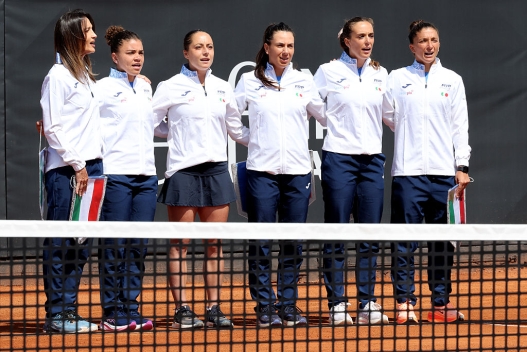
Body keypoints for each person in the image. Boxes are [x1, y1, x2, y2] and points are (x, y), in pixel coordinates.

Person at [152, 30, 249, 329]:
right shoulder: (170, 87)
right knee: (179, 245)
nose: (205, 52)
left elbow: (237, 129)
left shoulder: (222, 87)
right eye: (198, 47)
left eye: (209, 46)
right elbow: (152, 123)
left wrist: (266, 141)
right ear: (186, 52)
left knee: (214, 245)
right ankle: (181, 308)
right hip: (183, 172)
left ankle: (213, 307)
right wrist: (179, 134)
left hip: (217, 171)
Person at [234, 22, 326, 327]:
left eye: (290, 46)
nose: (285, 51)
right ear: (267, 48)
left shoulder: (304, 81)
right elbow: (232, 118)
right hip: (261, 172)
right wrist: (254, 140)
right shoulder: (249, 81)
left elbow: (326, 115)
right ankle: (264, 305)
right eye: (280, 46)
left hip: (298, 173)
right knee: (260, 241)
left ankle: (288, 304)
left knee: (293, 243)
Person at [382, 20, 470, 324]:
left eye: (433, 40)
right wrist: (408, 134)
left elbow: (460, 126)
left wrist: (462, 166)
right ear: (412, 46)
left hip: (444, 175)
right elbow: (388, 114)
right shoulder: (396, 78)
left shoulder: (453, 80)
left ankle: (440, 303)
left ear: (439, 43)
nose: (428, 46)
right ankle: (405, 302)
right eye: (422, 41)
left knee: (442, 244)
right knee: (404, 242)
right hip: (407, 174)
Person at [313, 17, 389, 325]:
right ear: (347, 40)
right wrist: (334, 123)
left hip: (372, 162)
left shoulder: (381, 73)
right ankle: (338, 304)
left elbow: (391, 115)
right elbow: (310, 104)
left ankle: (367, 302)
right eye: (361, 36)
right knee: (337, 235)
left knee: (369, 237)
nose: (368, 41)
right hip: (339, 160)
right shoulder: (328, 71)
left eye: (371, 35)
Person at [95, 25, 165, 332]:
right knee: (114, 247)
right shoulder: (100, 89)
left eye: (141, 53)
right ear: (114, 56)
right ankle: (112, 312)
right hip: (116, 177)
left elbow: (154, 127)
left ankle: (131, 308)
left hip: (146, 178)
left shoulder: (146, 87)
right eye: (130, 53)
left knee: (137, 247)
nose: (137, 58)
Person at [40, 9, 103, 333]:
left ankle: (69, 311)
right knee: (62, 243)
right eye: (88, 30)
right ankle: (57, 314)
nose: (93, 35)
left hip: (91, 168)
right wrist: (78, 165)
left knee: (81, 243)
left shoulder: (85, 77)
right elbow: (53, 128)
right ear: (73, 37)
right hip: (68, 172)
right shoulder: (57, 76)